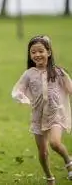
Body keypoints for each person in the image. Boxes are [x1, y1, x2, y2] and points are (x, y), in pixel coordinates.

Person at [12, 35, 72, 185]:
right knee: (43, 152)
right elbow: (18, 89)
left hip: (55, 115)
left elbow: (70, 88)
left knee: (55, 143)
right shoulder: (29, 74)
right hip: (38, 118)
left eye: (41, 51)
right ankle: (49, 177)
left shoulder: (58, 72)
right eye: (33, 52)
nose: (37, 55)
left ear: (49, 52)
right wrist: (21, 97)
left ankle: (69, 162)